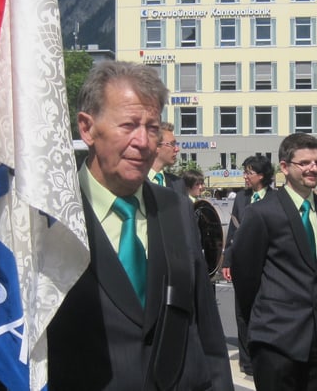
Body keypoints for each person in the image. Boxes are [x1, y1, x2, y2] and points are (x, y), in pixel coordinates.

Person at [46, 60, 231, 389]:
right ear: (87, 129)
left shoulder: (176, 208)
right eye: (129, 125)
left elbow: (207, 332)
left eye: (152, 127)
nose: (144, 142)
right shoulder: (48, 218)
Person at [231, 133, 317, 391]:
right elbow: (245, 276)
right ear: (284, 167)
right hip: (276, 339)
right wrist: (265, 317)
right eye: (304, 163)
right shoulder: (261, 213)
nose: (313, 168)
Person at [221, 154, 274, 376]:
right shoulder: (241, 198)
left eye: (249, 172)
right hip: (242, 266)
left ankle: (265, 356)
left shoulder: (275, 198)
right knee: (242, 314)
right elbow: (233, 231)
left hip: (267, 266)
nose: (245, 176)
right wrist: (227, 260)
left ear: (261, 175)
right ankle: (247, 360)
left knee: (265, 312)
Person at [148, 121, 186, 195]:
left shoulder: (178, 184)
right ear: (156, 146)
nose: (177, 149)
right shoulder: (135, 182)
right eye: (172, 144)